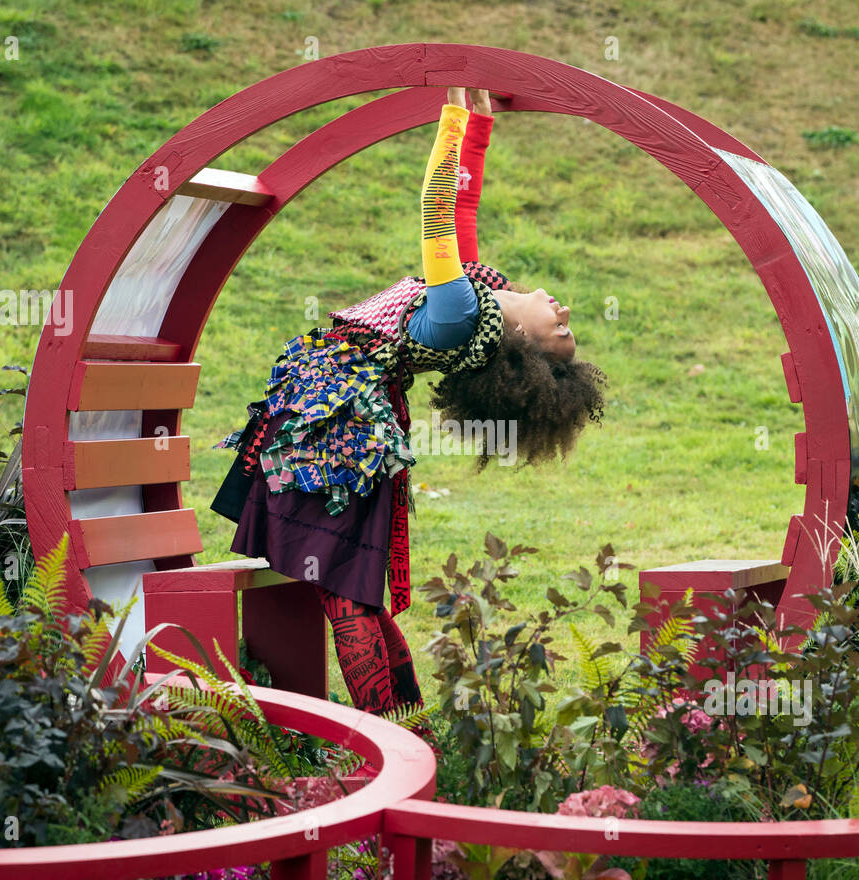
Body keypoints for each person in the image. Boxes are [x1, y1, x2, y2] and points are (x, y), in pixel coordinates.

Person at [212, 86, 606, 720]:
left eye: (559, 330)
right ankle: (405, 725)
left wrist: (449, 117)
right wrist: (477, 124)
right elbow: (464, 204)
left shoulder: (456, 314)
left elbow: (435, 214)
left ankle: (386, 736)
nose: (563, 311)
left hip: (332, 418)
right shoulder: (474, 299)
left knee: (345, 588)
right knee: (348, 587)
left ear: (524, 346)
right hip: (343, 411)